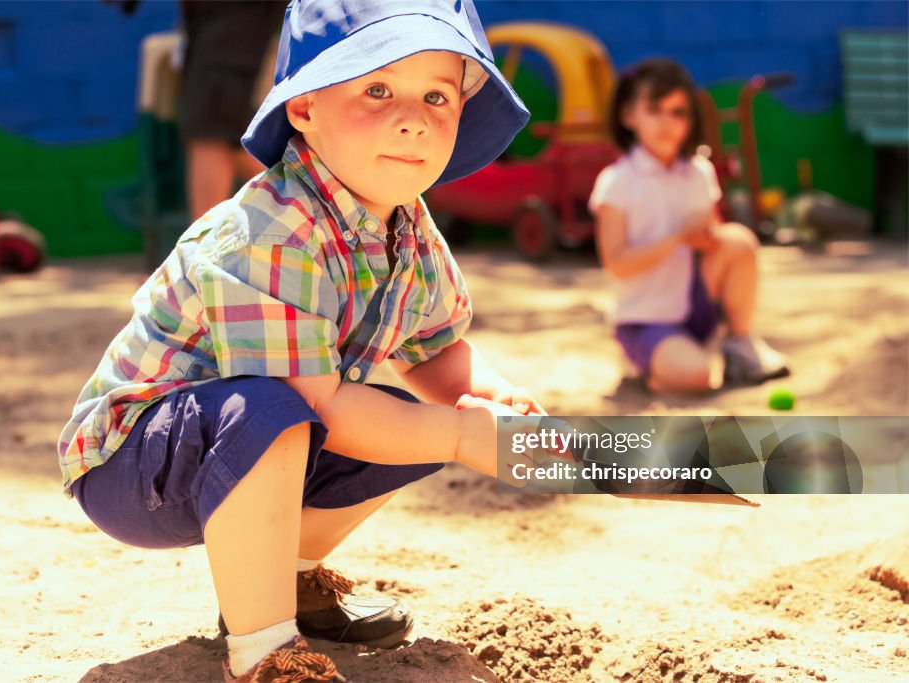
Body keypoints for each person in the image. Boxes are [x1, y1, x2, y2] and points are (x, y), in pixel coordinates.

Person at [57, 2, 541, 681]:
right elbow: (313, 402)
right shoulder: (272, 230)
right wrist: (461, 436)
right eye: (377, 88)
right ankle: (263, 652)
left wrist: (487, 399)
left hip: (260, 431)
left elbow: (434, 349)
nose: (414, 117)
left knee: (403, 417)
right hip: (137, 461)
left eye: (437, 94)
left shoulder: (409, 226)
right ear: (306, 107)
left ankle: (286, 578)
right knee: (300, 410)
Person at [589, 57, 790, 394]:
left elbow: (716, 241)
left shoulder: (699, 172)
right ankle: (646, 363)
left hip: (695, 307)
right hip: (646, 318)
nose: (667, 122)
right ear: (629, 116)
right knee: (697, 377)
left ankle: (740, 345)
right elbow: (616, 263)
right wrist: (677, 238)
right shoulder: (616, 182)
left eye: (678, 112)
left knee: (737, 239)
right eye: (655, 109)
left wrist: (704, 236)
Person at [178, 1, 287, 220]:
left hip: (233, 14)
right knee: (226, 135)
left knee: (210, 133)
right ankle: (317, 208)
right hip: (212, 20)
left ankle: (203, 250)